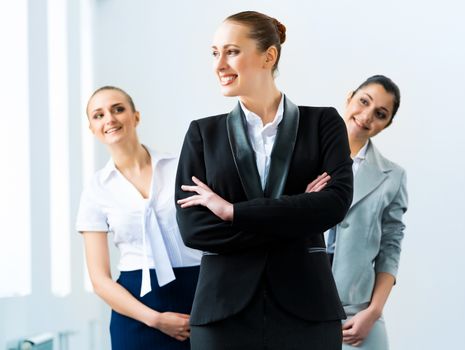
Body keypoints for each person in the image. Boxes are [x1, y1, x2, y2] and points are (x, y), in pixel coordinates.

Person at [174, 10, 354, 350]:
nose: (219, 64)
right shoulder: (203, 134)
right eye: (215, 53)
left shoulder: (324, 124)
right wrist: (297, 213)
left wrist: (233, 212)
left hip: (307, 310)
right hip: (223, 314)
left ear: (268, 55)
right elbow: (194, 229)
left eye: (232, 51)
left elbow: (333, 205)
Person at [76, 86, 201, 349]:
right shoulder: (96, 189)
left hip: (198, 295)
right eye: (98, 115)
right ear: (92, 129)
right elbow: (99, 279)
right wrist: (155, 319)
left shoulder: (180, 166)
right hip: (136, 309)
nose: (109, 119)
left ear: (136, 117)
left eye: (118, 109)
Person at [327, 75, 408, 349]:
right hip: (297, 305)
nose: (366, 116)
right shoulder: (303, 156)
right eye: (363, 101)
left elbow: (390, 249)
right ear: (349, 97)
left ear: (387, 125)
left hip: (356, 313)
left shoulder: (392, 177)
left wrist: (372, 312)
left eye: (380, 114)